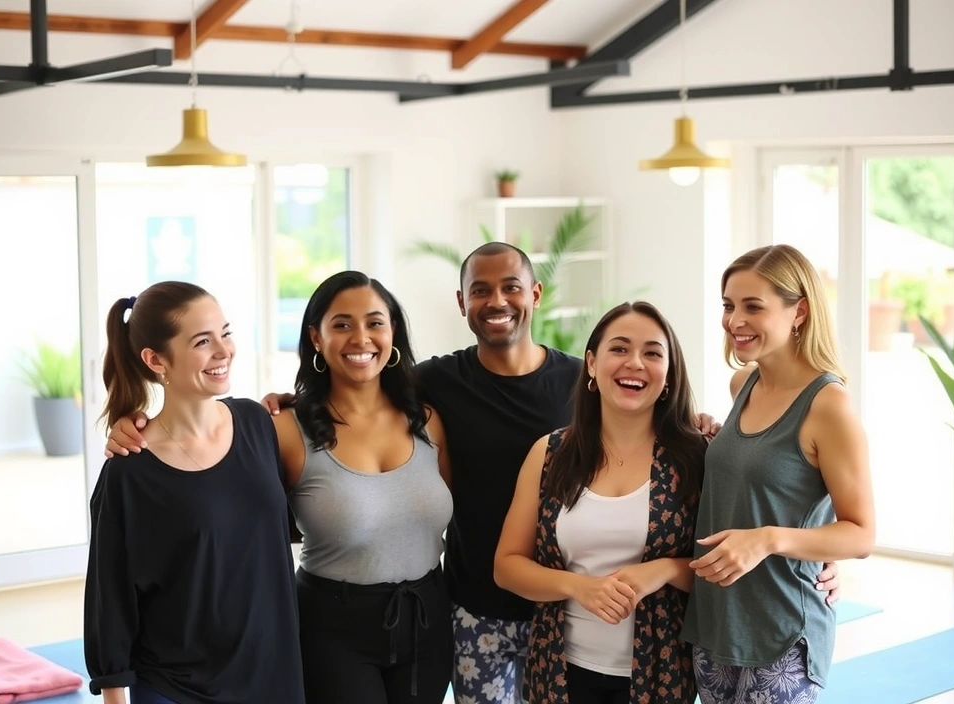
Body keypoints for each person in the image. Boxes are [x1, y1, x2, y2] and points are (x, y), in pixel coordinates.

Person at [109, 243, 841, 704]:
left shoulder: (656, 424)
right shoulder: (423, 393)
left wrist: (809, 559)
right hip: (474, 606)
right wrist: (142, 421)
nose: (497, 302)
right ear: (459, 304)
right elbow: (223, 449)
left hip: (592, 629)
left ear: (535, 296)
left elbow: (763, 488)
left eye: (512, 287)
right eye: (342, 325)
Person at [102, 272, 455, 704]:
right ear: (316, 338)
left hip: (423, 620)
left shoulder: (428, 419)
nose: (361, 337)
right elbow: (232, 509)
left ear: (394, 330)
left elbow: (261, 516)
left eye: (375, 322)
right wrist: (137, 428)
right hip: (327, 627)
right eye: (342, 324)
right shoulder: (280, 427)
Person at [85, 281, 304, 704]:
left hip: (273, 677)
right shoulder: (130, 471)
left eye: (226, 332)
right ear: (155, 360)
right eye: (203, 341)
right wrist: (115, 696)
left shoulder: (259, 423)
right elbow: (108, 597)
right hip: (177, 688)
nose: (224, 351)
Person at [681, 244, 876, 703]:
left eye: (754, 306)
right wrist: (710, 434)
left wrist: (769, 539)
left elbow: (861, 534)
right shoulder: (741, 385)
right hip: (715, 617)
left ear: (799, 312)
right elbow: (760, 478)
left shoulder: (829, 406)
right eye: (729, 305)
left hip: (781, 628)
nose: (734, 320)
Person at [494, 301, 706, 704]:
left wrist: (664, 570)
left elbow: (724, 570)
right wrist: (581, 588)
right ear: (591, 363)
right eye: (619, 349)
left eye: (652, 353)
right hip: (559, 670)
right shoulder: (551, 452)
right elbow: (507, 567)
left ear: (669, 373)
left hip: (660, 674)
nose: (635, 363)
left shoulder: (696, 458)